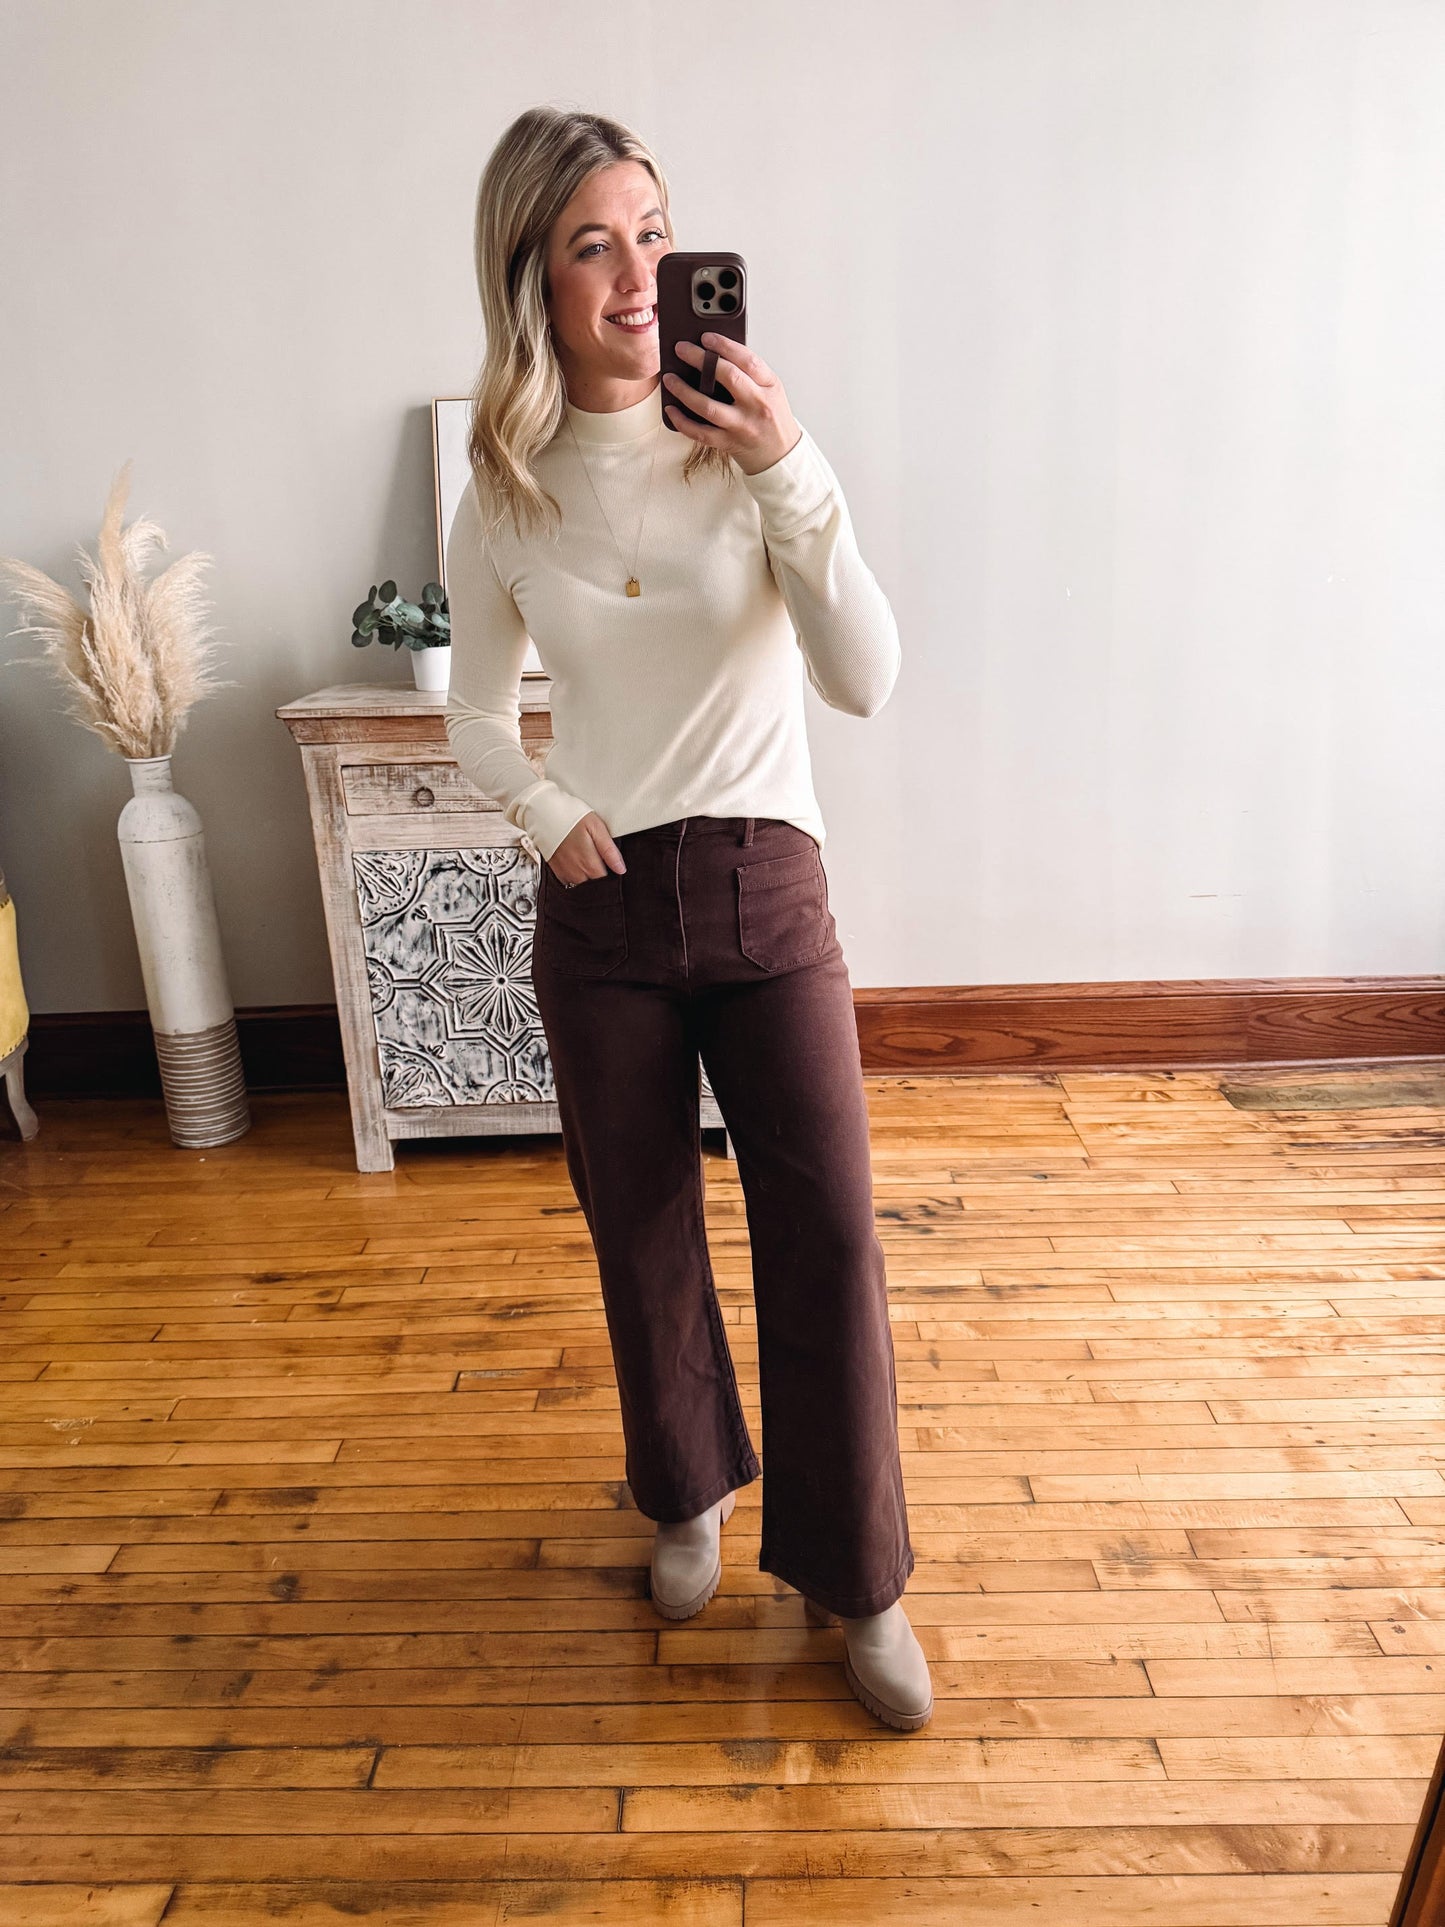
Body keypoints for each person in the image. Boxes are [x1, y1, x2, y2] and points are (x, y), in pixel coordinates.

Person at [445, 105, 932, 1732]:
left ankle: (856, 1579)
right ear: (536, 274)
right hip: (601, 909)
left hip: (766, 880)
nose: (640, 273)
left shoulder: (753, 437)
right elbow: (468, 711)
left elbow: (861, 677)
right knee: (638, 1225)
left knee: (832, 1234)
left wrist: (786, 470)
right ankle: (687, 1495)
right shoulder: (505, 484)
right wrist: (539, 810)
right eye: (594, 242)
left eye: (654, 231)